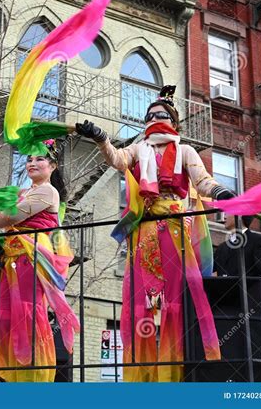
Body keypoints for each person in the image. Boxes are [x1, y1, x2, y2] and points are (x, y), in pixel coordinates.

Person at [75, 85, 235, 382]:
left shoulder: (185, 151)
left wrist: (221, 192)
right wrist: (101, 139)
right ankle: (140, 377)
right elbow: (118, 160)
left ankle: (173, 373)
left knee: (176, 299)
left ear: (173, 122)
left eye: (160, 114)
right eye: (149, 116)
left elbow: (202, 181)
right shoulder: (139, 149)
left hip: (175, 229)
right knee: (141, 300)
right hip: (144, 230)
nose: (154, 119)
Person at [0, 141, 79, 382]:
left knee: (27, 313)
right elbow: (1, 217)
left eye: (40, 159)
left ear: (53, 165)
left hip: (30, 257)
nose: (32, 163)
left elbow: (11, 216)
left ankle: (34, 378)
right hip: (11, 259)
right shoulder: (25, 193)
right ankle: (7, 376)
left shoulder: (47, 191)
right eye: (29, 159)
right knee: (2, 317)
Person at [214, 215, 261, 286]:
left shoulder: (257, 241)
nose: (224, 216)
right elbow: (210, 271)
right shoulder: (221, 247)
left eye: (228, 212)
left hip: (247, 295)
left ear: (239, 216)